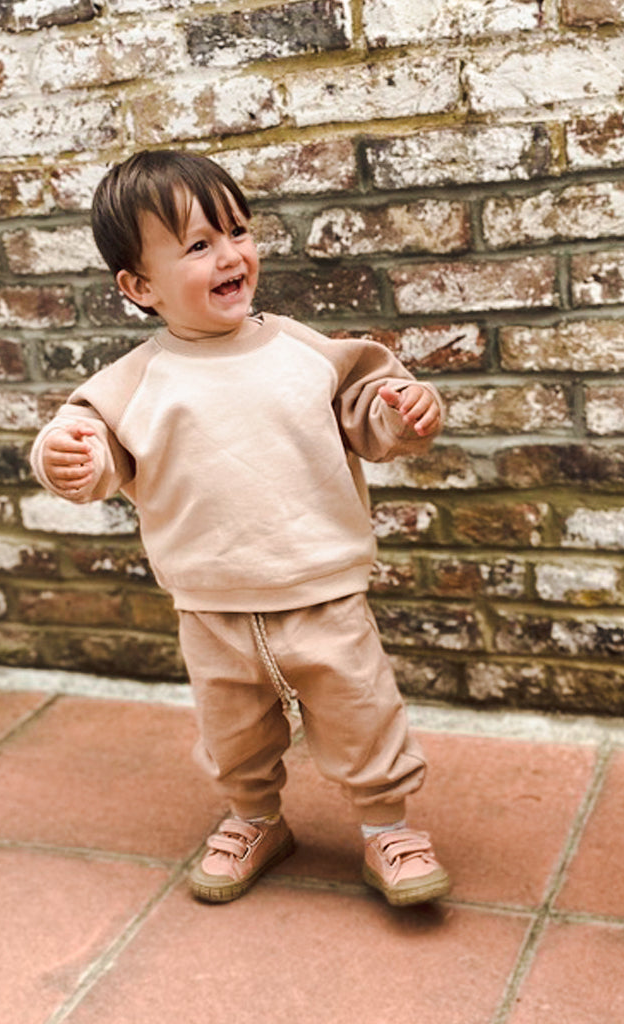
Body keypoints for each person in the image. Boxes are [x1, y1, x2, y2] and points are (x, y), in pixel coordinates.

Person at [29, 149, 451, 907]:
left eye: (238, 231)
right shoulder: (131, 383)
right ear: (138, 286)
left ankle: (386, 826)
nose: (231, 255)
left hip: (321, 590)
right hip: (210, 605)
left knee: (362, 714)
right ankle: (255, 816)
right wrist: (65, 457)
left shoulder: (301, 350)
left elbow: (369, 404)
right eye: (198, 245)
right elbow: (86, 444)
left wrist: (400, 411)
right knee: (233, 738)